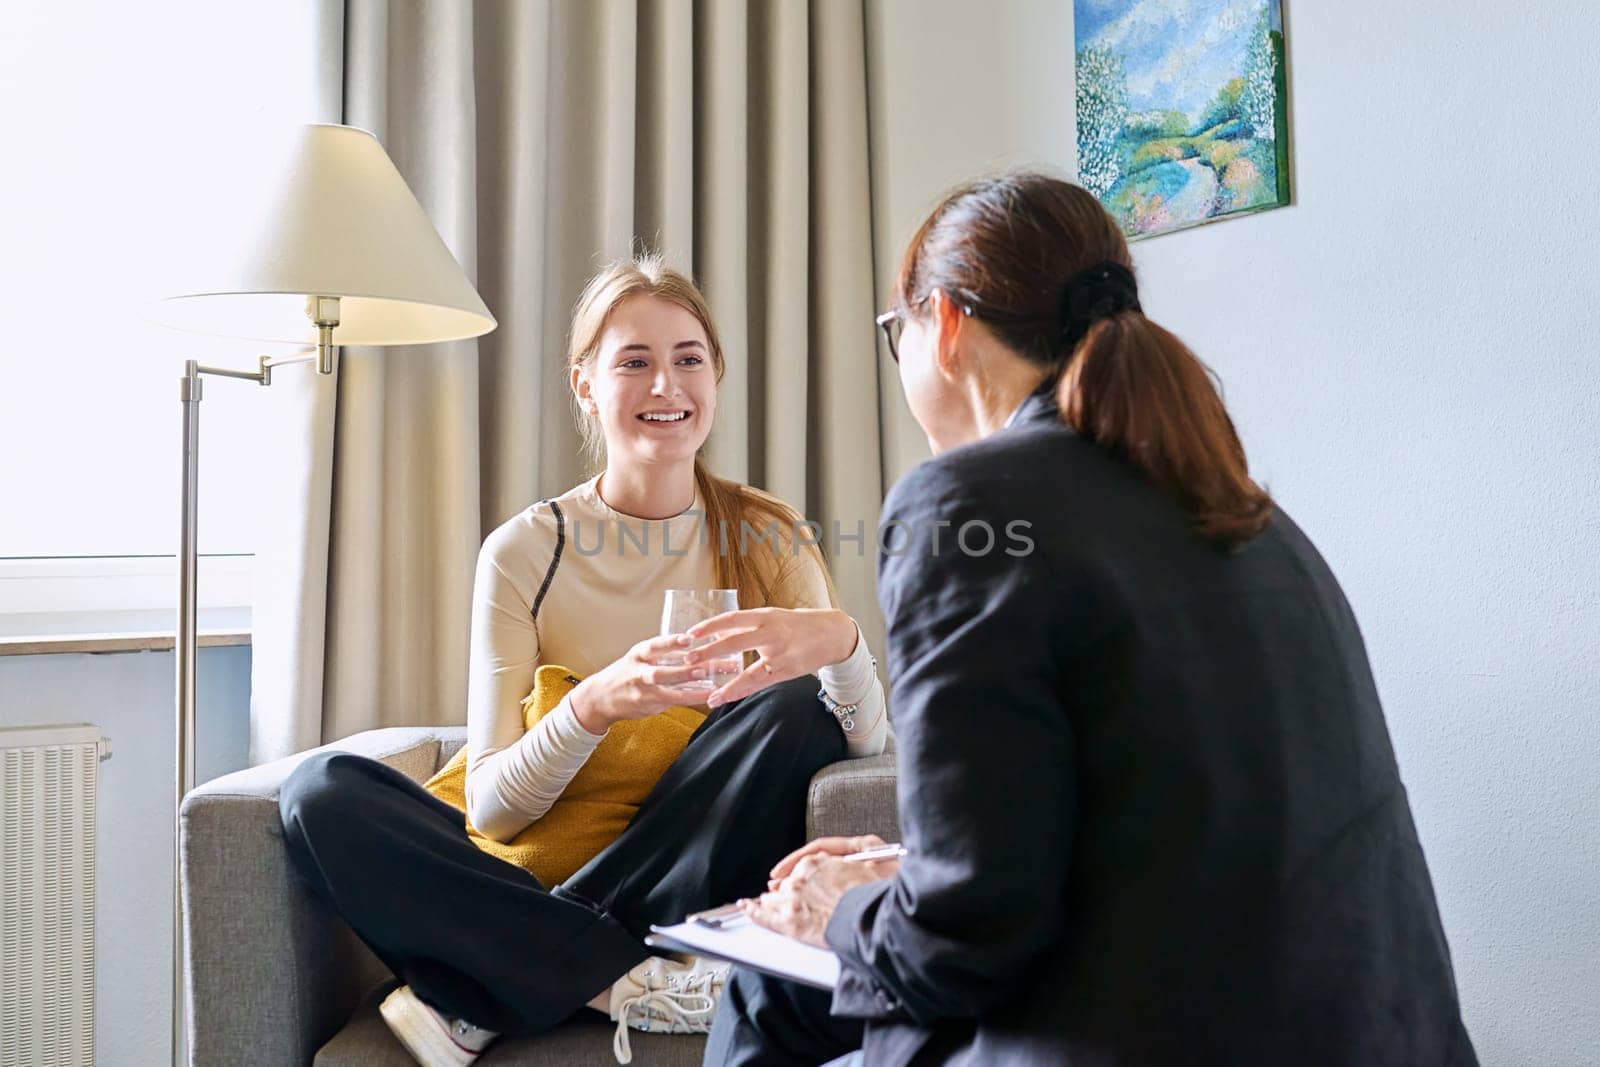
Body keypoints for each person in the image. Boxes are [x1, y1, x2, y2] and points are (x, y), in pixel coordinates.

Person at [704, 172, 1477, 1066]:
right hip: (1383, 1032)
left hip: (1161, 1035)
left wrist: (835, 905)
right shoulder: (1248, 513)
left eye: (896, 333)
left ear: (946, 324)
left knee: (763, 989)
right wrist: (906, 872)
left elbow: (966, 939)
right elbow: (1145, 825)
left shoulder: (964, 505)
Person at [278, 254, 888, 1067]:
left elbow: (861, 760)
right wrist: (592, 704)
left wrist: (843, 646)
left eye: (688, 359)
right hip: (563, 895)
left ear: (716, 377)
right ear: (586, 387)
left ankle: (487, 989)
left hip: (692, 869)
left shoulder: (767, 536)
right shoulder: (526, 552)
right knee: (321, 793)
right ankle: (623, 981)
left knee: (792, 710)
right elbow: (491, 808)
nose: (666, 386)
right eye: (634, 362)